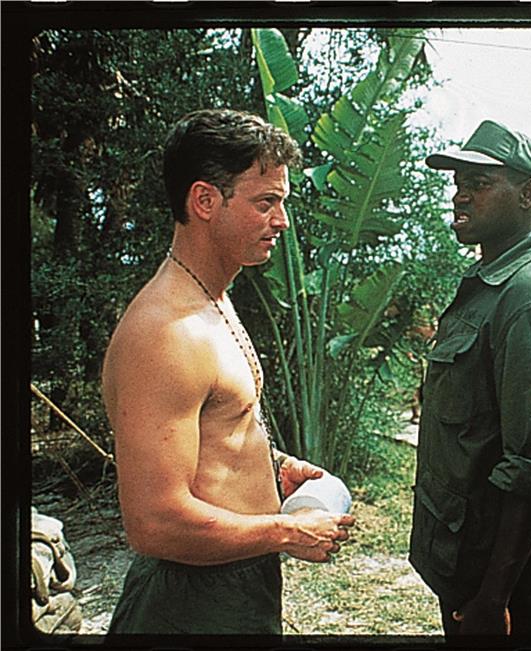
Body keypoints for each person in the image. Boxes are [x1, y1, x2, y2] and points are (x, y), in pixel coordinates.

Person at [101, 109, 355, 635]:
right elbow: (154, 524)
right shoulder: (166, 332)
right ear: (205, 201)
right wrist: (287, 531)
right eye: (266, 203)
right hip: (191, 601)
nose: (281, 221)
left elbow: (207, 437)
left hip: (232, 584)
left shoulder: (211, 300)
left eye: (282, 203)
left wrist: (272, 467)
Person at [409, 120, 531, 636]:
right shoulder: (492, 286)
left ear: (527, 194)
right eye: (458, 183)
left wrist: (495, 598)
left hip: (521, 588)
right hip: (476, 564)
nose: (460, 195)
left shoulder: (530, 296)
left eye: (479, 183)